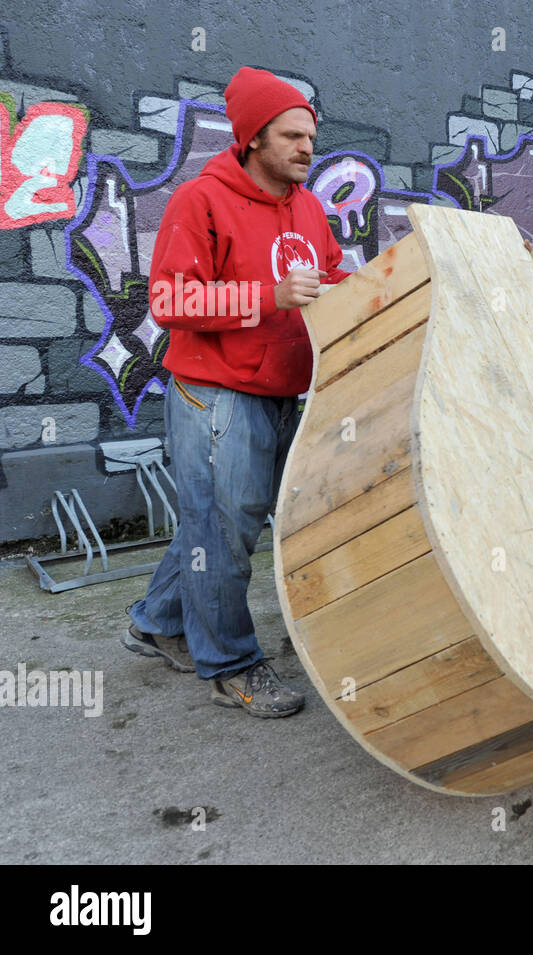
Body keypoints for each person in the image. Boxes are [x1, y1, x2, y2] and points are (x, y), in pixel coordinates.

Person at [122, 67, 350, 718]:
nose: (308, 147)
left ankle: (155, 622)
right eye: (291, 135)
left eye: (311, 135)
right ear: (252, 138)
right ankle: (231, 666)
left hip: (283, 395)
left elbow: (330, 275)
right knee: (222, 534)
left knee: (218, 524)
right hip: (216, 394)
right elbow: (167, 300)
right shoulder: (201, 200)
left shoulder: (307, 205)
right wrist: (269, 298)